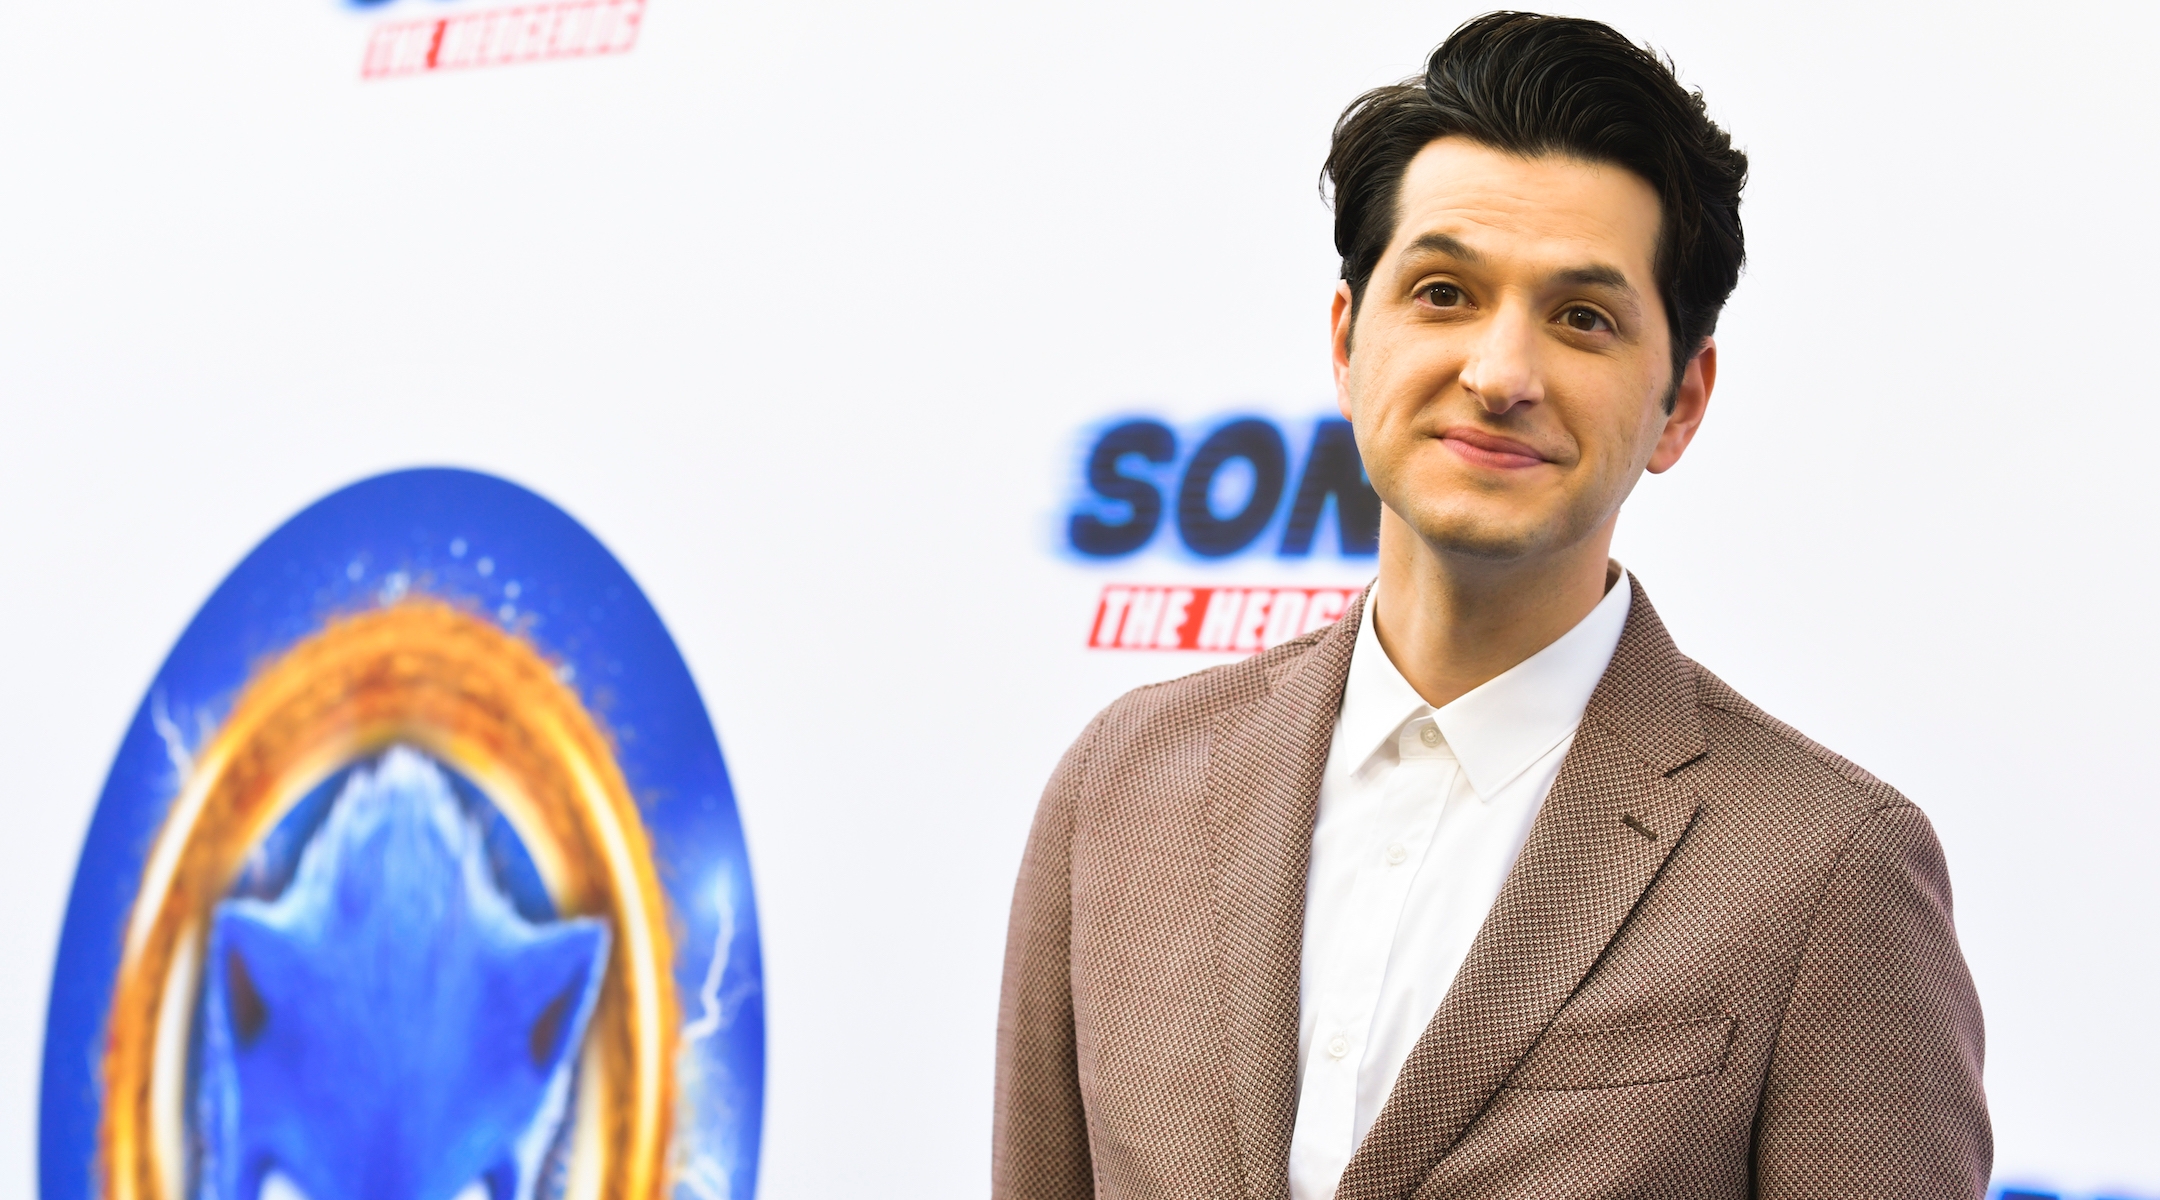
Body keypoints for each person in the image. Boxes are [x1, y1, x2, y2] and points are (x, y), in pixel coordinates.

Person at [992, 11, 1990, 1200]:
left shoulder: (1825, 871)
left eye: (1582, 318)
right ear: (1349, 341)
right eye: (1445, 292)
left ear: (1681, 402)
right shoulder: (1125, 787)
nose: (1502, 374)